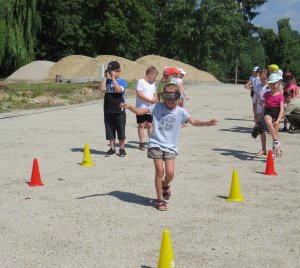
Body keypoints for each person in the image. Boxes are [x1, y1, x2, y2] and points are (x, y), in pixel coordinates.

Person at [121, 83, 217, 211]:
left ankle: (165, 186)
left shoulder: (181, 111)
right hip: (156, 143)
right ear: (162, 97)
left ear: (178, 97)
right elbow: (140, 111)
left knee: (170, 173)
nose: (171, 100)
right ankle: (160, 200)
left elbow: (193, 121)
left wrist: (206, 123)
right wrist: (130, 107)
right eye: (167, 96)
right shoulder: (157, 107)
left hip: (171, 147)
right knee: (160, 171)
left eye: (174, 97)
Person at [100, 61, 127, 157]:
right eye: (109, 71)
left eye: (113, 71)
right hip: (108, 110)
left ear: (118, 71)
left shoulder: (122, 81)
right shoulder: (107, 81)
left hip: (119, 110)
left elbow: (119, 90)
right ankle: (112, 148)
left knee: (121, 130)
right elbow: (102, 89)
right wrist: (105, 78)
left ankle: (122, 148)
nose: (111, 73)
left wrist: (113, 79)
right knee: (109, 130)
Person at [135, 66, 158, 150]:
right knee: (141, 125)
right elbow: (139, 94)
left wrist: (155, 99)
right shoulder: (140, 81)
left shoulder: (153, 84)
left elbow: (154, 93)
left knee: (149, 124)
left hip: (150, 108)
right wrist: (150, 100)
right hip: (140, 108)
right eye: (154, 76)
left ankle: (151, 142)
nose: (155, 78)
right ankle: (141, 143)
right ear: (150, 74)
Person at [263, 73, 284, 158]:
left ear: (278, 83)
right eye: (270, 84)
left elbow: (282, 109)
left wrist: (278, 120)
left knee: (275, 133)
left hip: (276, 114)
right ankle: (276, 141)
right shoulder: (266, 94)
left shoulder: (280, 96)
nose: (272, 86)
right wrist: (260, 118)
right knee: (268, 121)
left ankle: (277, 149)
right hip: (268, 113)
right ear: (268, 84)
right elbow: (264, 106)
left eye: (274, 84)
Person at [253, 69, 269, 156]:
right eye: (262, 78)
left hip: (268, 110)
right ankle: (264, 149)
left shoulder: (270, 87)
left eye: (265, 79)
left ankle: (277, 149)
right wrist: (255, 113)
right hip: (259, 111)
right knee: (261, 130)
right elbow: (256, 100)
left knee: (273, 130)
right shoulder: (258, 87)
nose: (263, 80)